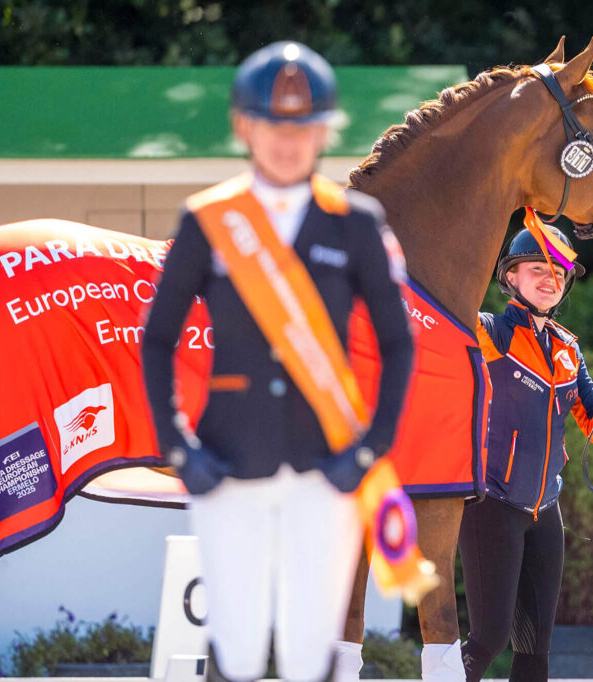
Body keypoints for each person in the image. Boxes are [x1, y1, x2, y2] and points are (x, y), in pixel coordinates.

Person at [141, 41, 414, 682]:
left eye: (303, 126)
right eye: (272, 125)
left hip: (327, 470)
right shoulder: (209, 220)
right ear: (244, 127)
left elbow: (399, 344)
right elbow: (157, 341)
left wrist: (369, 450)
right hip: (227, 468)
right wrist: (178, 448)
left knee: (308, 655)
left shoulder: (356, 222)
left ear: (325, 132)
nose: (288, 141)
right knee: (235, 652)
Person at [458, 220, 593, 682]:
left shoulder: (569, 348)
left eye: (559, 273)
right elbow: (449, 304)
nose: (551, 278)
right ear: (510, 276)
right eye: (537, 269)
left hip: (546, 510)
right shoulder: (491, 331)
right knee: (489, 638)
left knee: (534, 647)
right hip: (493, 505)